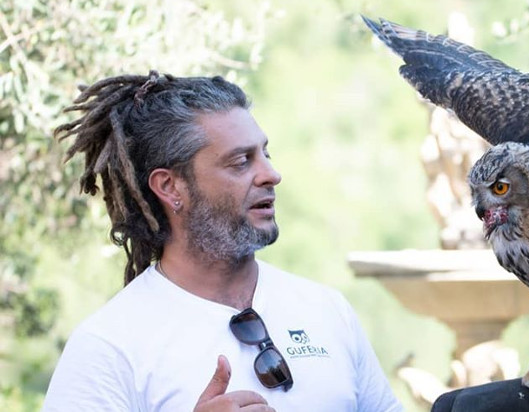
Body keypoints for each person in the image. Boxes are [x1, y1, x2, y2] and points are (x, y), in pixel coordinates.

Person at [42, 71, 403, 412]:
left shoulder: (328, 310)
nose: (270, 175)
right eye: (241, 162)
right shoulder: (109, 346)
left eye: (265, 153)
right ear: (170, 187)